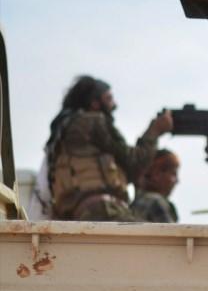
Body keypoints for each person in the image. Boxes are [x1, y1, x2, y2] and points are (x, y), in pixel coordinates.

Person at [44, 75, 173, 221]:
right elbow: (134, 163)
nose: (114, 104)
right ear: (95, 103)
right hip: (104, 210)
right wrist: (155, 131)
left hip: (79, 215)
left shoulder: (62, 133)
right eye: (109, 98)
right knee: (154, 234)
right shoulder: (93, 122)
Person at [131, 149, 180, 223]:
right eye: (173, 174)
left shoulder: (138, 201)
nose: (177, 181)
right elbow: (170, 230)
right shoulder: (154, 201)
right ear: (156, 174)